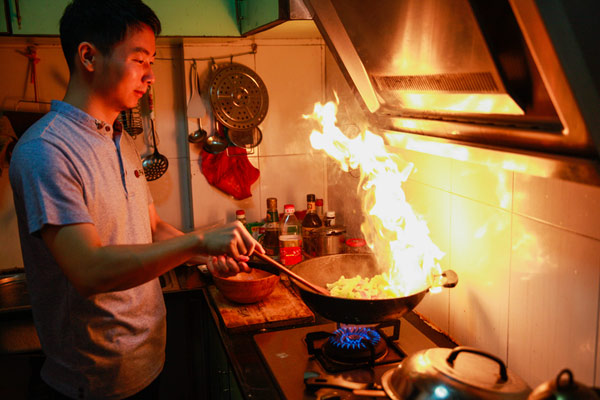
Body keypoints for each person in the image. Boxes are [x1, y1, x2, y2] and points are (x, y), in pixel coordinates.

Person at [8, 1, 262, 399]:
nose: (151, 76)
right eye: (140, 60)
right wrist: (199, 240)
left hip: (146, 361)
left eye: (152, 62)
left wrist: (208, 255)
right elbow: (89, 271)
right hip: (93, 382)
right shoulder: (47, 150)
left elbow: (152, 227)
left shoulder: (121, 138)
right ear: (89, 56)